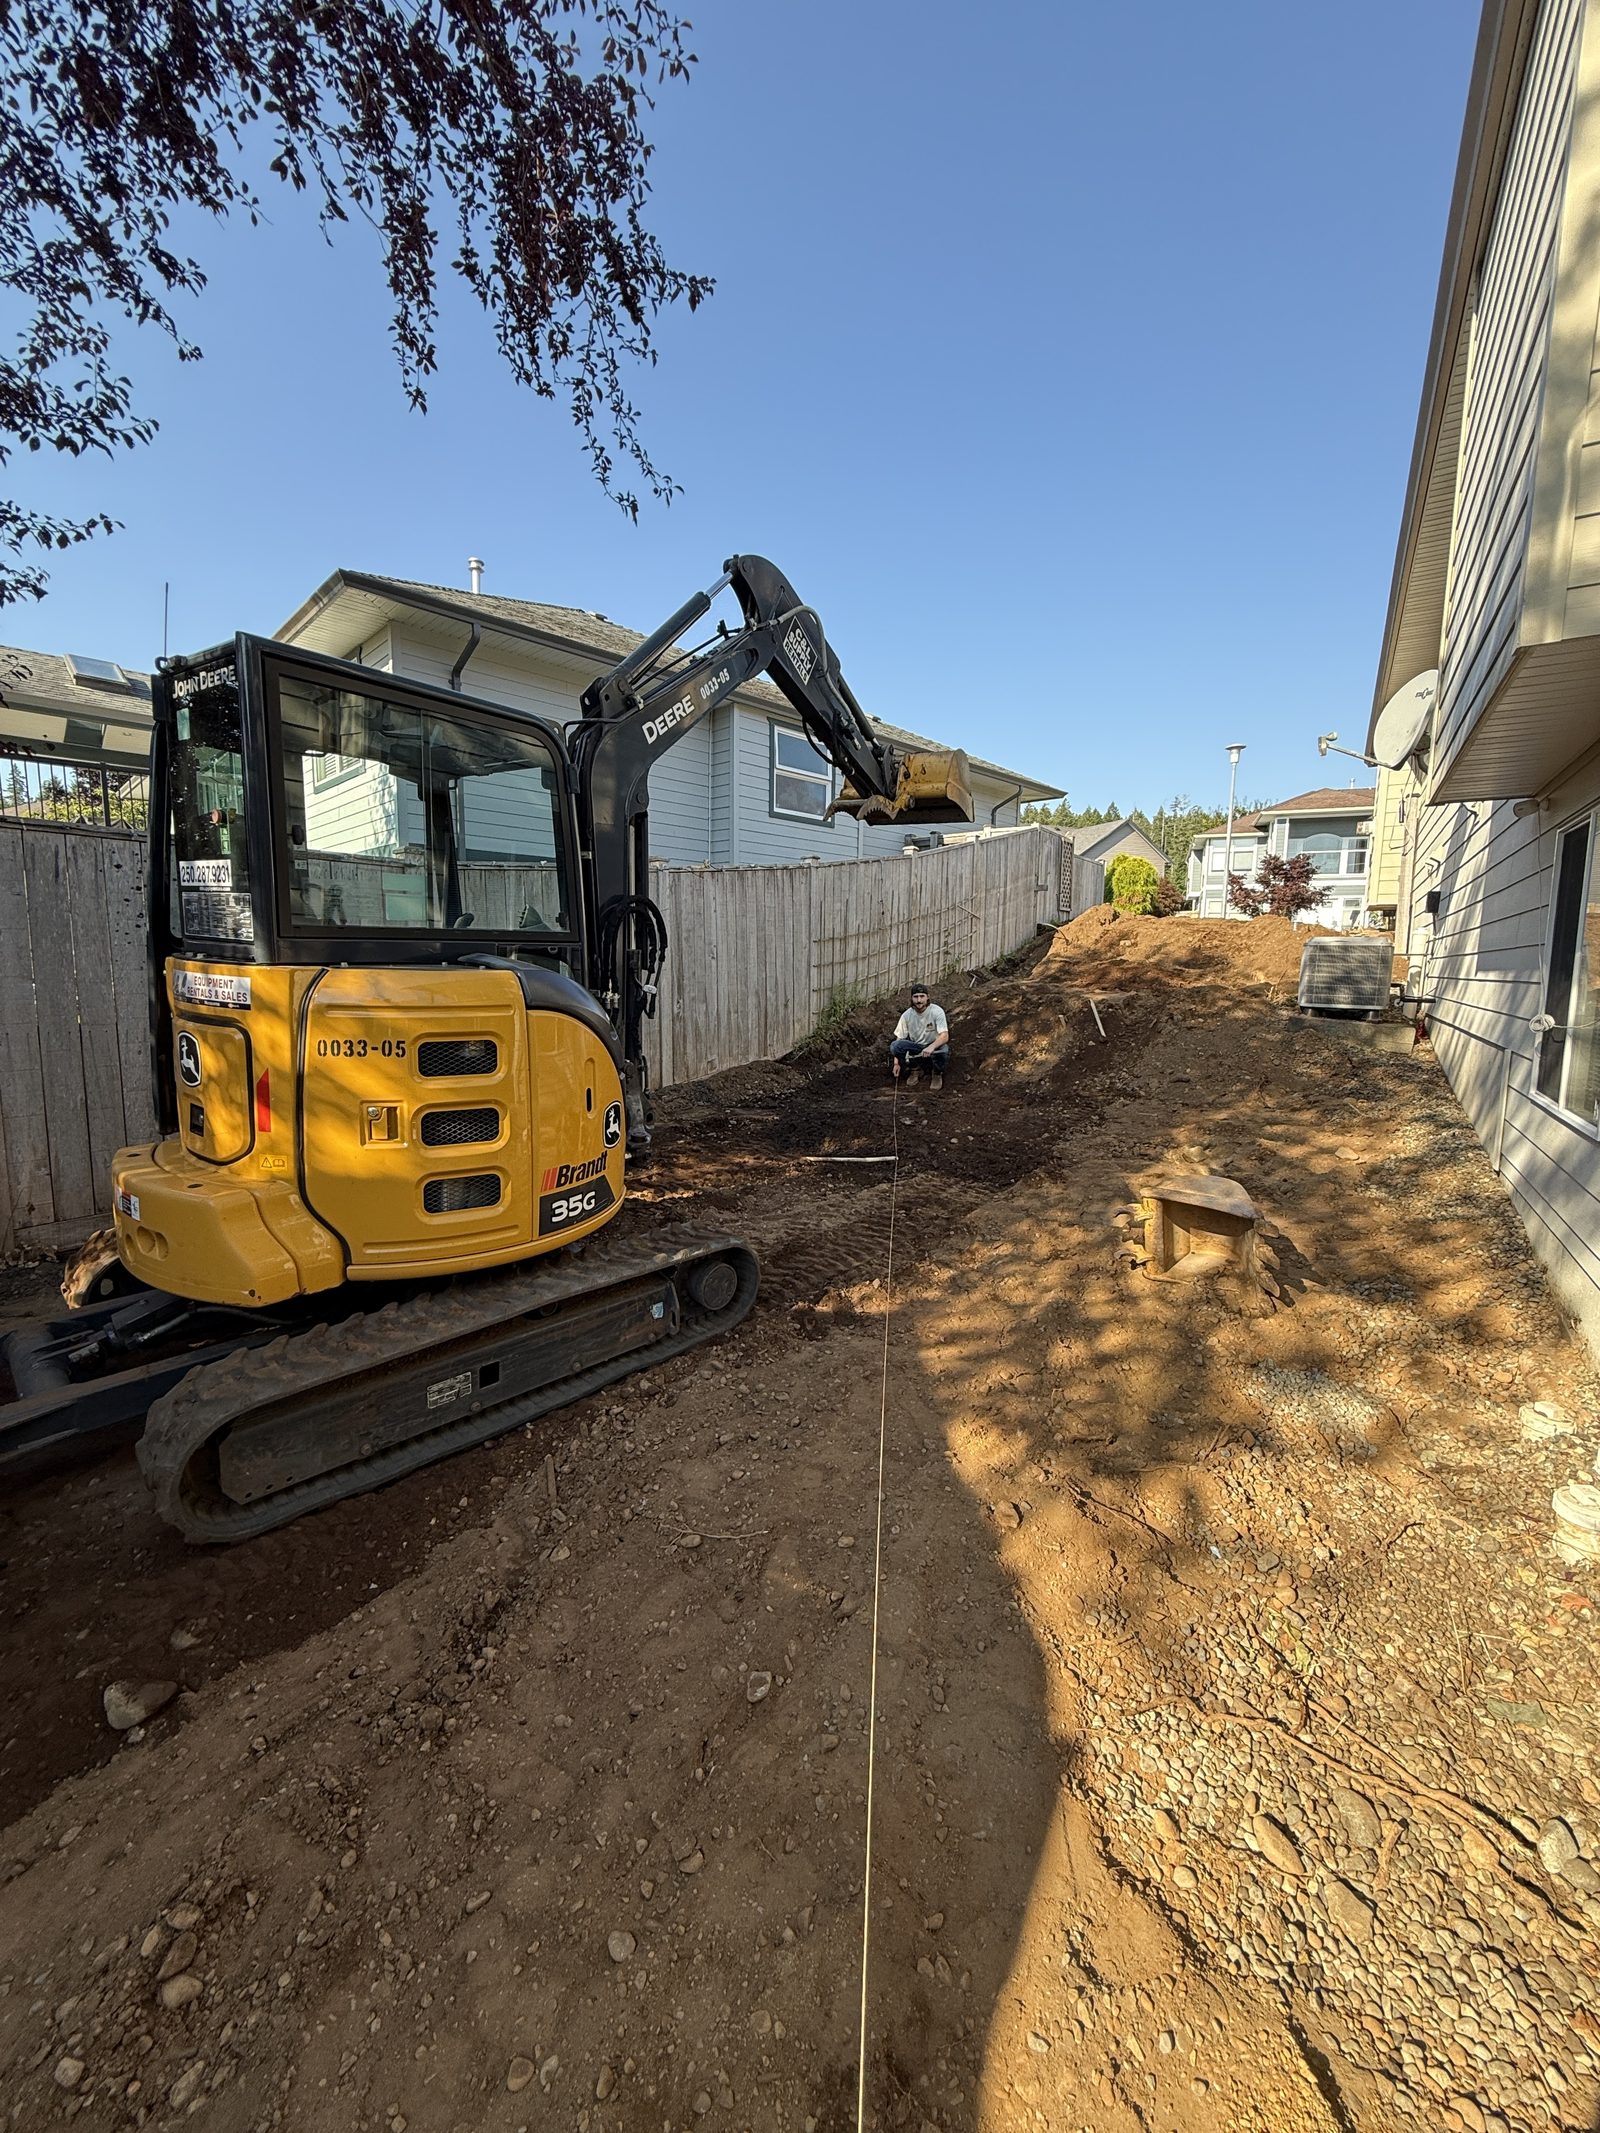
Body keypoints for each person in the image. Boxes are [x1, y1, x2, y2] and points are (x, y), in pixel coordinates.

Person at [888, 983, 950, 1090]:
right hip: (916, 1047)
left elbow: (945, 1036)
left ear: (927, 997)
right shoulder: (907, 1016)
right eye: (916, 997)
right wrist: (896, 1064)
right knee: (895, 1046)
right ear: (912, 998)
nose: (919, 1000)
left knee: (944, 1051)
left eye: (922, 996)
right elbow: (899, 1039)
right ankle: (915, 1069)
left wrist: (931, 1047)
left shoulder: (936, 1011)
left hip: (934, 1047)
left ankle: (936, 1073)